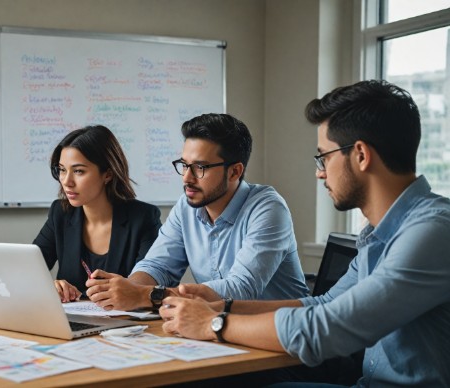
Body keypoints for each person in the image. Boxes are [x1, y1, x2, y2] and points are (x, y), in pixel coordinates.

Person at [160, 80, 450, 386]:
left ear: (361, 155)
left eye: (324, 157)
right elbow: (322, 304)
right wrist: (221, 306)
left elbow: (328, 329)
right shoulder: (380, 234)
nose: (319, 171)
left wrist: (213, 324)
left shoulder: (432, 232)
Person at [85, 113, 309, 312]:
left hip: (281, 339)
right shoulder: (186, 207)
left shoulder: (268, 208)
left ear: (234, 172)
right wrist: (126, 290)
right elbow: (157, 266)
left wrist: (145, 295)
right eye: (184, 164)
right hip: (218, 328)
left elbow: (241, 288)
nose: (186, 178)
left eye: (200, 167)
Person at [33, 125, 162, 303]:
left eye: (78, 171)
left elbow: (153, 282)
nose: (67, 181)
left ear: (107, 174)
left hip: (126, 325)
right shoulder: (60, 213)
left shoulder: (143, 218)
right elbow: (30, 271)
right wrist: (51, 286)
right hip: (72, 322)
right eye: (62, 170)